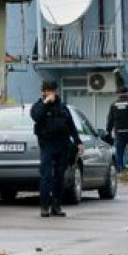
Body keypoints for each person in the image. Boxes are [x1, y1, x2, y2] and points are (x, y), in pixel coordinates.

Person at [30, 79, 81, 218]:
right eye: (46, 91)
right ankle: (44, 207)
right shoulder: (39, 106)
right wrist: (46, 103)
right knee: (46, 176)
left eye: (51, 91)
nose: (49, 93)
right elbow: (36, 117)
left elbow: (71, 125)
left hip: (62, 145)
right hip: (47, 144)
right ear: (43, 92)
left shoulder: (62, 107)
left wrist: (78, 141)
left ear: (55, 91)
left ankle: (56, 206)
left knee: (59, 177)